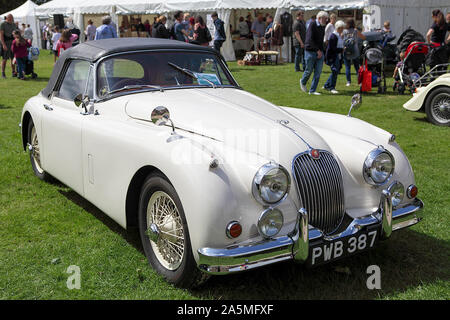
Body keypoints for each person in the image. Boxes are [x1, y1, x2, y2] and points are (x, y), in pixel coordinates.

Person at [300, 11, 328, 95]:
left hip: (319, 51)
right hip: (310, 51)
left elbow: (320, 40)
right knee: (309, 70)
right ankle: (303, 81)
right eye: (325, 19)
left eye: (326, 19)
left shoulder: (323, 26)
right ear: (319, 18)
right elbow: (310, 40)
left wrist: (322, 51)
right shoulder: (312, 24)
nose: (326, 20)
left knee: (318, 72)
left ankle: (312, 90)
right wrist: (317, 50)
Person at [324, 20, 345, 94]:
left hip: (337, 56)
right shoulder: (333, 36)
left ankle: (326, 85)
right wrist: (341, 49)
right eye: (342, 28)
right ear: (338, 28)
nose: (343, 29)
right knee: (335, 71)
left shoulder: (339, 35)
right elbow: (332, 48)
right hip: (333, 56)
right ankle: (332, 87)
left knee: (335, 72)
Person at [342, 19, 366, 86]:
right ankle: (360, 82)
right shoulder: (355, 31)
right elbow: (363, 37)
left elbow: (341, 38)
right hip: (355, 50)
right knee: (357, 67)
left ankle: (348, 82)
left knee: (347, 67)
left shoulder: (344, 31)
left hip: (346, 50)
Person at [1, 14, 18, 78]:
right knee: (4, 59)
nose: (11, 19)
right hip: (6, 42)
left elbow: (16, 34)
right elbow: (1, 35)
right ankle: (3, 73)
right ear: (7, 18)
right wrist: (3, 44)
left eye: (12, 18)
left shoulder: (13, 24)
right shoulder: (3, 24)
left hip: (13, 43)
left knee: (13, 58)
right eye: (10, 18)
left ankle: (13, 72)